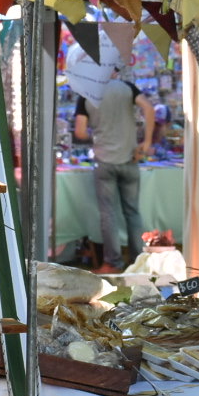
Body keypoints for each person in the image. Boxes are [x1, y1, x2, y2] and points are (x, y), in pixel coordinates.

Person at [73, 69, 155, 274]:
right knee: (133, 212)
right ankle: (139, 262)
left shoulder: (87, 93)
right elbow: (149, 108)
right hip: (129, 157)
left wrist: (99, 137)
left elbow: (80, 131)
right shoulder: (127, 88)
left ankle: (113, 262)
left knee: (108, 214)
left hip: (104, 160)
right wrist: (146, 142)